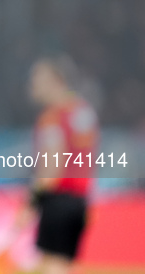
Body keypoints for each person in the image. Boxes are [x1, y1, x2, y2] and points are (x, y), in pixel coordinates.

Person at [27, 56, 99, 274]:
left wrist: (32, 200)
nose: (32, 86)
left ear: (55, 80)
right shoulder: (85, 112)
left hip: (57, 200)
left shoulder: (52, 117)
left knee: (52, 266)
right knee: (53, 264)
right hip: (79, 202)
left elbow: (52, 166)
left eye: (37, 79)